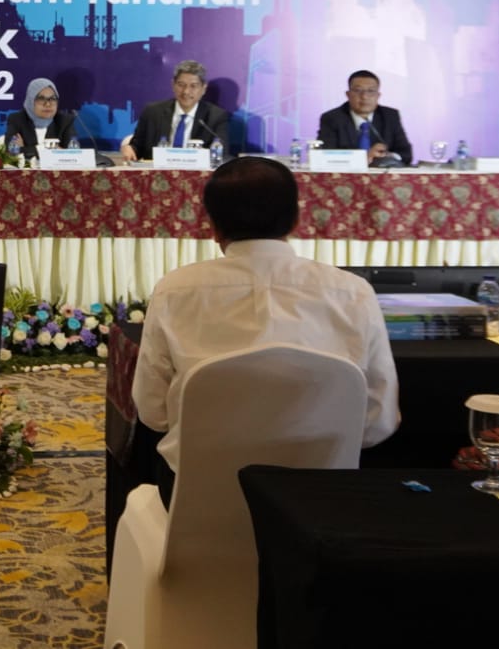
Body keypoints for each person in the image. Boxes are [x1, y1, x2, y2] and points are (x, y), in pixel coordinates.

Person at [132, 156, 399, 493]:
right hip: (321, 495)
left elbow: (153, 412)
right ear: (296, 219)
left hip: (198, 490)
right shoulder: (353, 292)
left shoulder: (174, 290)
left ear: (213, 227)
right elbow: (378, 422)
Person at [120, 60, 229, 161]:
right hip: (158, 173)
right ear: (173, 85)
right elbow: (137, 147)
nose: (186, 91)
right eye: (181, 85)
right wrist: (129, 149)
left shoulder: (215, 117)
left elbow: (221, 153)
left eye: (193, 86)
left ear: (203, 89)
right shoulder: (152, 112)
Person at [316, 69, 413, 167]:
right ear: (348, 95)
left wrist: (388, 156)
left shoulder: (390, 116)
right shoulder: (332, 118)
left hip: (382, 175)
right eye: (358, 91)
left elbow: (406, 154)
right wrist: (362, 158)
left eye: (371, 91)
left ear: (378, 95)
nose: (364, 96)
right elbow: (325, 156)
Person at [3, 77, 82, 161]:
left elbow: (73, 154)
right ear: (31, 100)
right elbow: (11, 152)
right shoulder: (17, 119)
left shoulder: (64, 121)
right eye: (41, 98)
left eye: (53, 98)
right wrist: (51, 150)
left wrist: (27, 149)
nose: (48, 104)